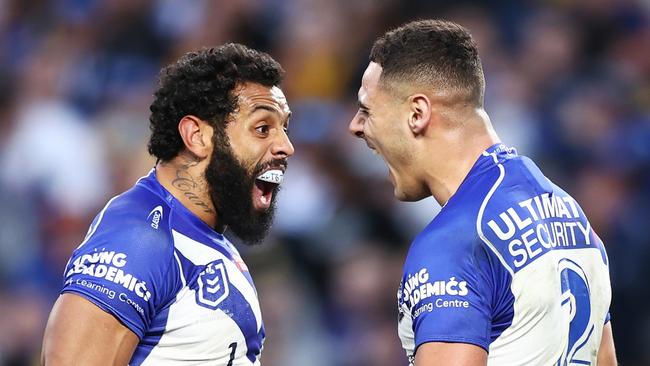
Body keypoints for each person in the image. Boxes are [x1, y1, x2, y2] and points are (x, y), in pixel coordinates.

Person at [349, 20, 617, 365]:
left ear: (417, 113)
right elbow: (605, 358)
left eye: (367, 110)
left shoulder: (454, 243)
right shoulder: (570, 213)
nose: (355, 126)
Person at [42, 43, 294, 365]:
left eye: (285, 128)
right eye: (263, 128)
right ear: (197, 136)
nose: (286, 146)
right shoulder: (141, 237)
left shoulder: (203, 238)